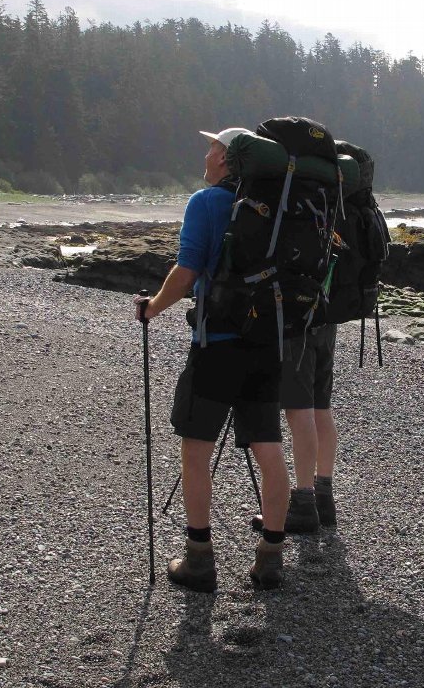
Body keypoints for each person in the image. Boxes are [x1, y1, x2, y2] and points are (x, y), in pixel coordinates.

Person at [135, 127, 289, 592]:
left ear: (227, 161)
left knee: (195, 449)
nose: (206, 154)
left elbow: (186, 273)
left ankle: (200, 559)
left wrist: (152, 308)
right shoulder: (278, 208)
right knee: (268, 448)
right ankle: (271, 559)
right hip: (267, 343)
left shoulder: (205, 204)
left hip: (217, 344)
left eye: (213, 148)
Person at [279, 324, 339, 532]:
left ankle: (303, 502)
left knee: (299, 410)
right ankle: (324, 496)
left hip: (299, 325)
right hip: (327, 321)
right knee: (321, 408)